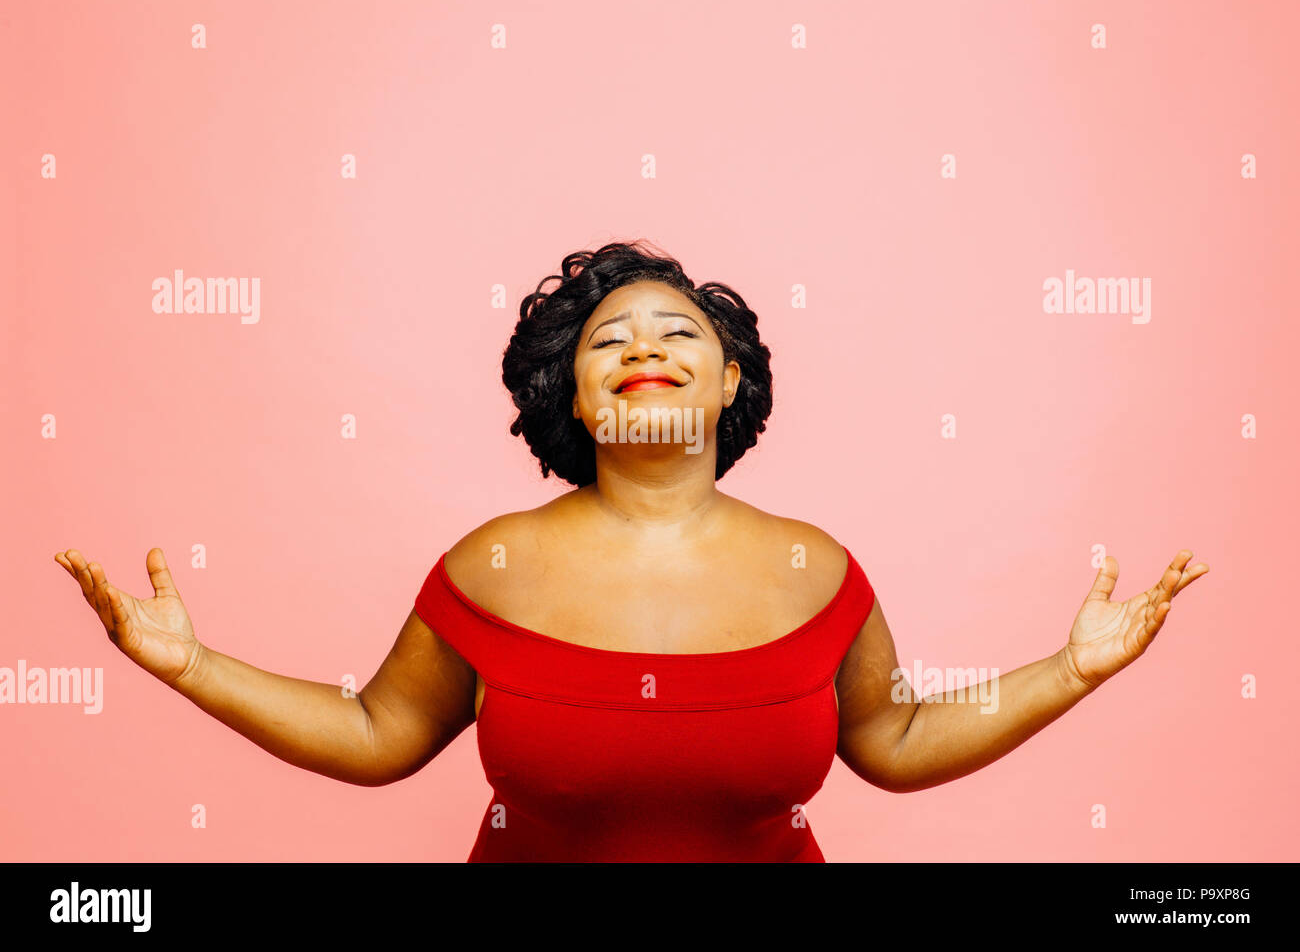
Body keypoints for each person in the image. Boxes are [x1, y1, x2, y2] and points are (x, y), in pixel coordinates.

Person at [56, 240, 1209, 862]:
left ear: (730, 379)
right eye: (610, 339)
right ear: (573, 390)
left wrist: (1073, 669)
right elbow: (375, 733)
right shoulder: (486, 563)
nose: (644, 349)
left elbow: (896, 739)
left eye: (678, 334)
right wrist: (190, 665)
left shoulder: (817, 568)